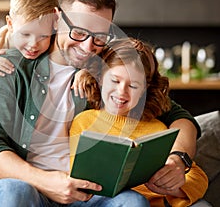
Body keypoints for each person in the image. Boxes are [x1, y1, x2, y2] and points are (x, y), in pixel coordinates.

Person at [0, 0, 201, 207]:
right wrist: (47, 182)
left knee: (132, 201)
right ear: (57, 18)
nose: (88, 47)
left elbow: (179, 117)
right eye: (78, 32)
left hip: (86, 194)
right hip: (26, 187)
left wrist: (178, 160)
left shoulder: (109, 70)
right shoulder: (8, 67)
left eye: (99, 37)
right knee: (13, 190)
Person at [69, 38, 208, 206]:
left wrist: (173, 186)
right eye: (115, 80)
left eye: (133, 86)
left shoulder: (158, 129)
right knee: (133, 200)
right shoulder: (83, 121)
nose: (121, 92)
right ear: (99, 78)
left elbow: (197, 176)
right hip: (98, 201)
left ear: (144, 89)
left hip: (151, 202)